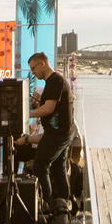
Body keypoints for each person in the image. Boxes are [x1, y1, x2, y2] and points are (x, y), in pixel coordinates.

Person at [26, 52, 77, 209]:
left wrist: (26, 114)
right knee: (58, 168)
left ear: (42, 64)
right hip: (63, 132)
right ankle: (63, 204)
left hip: (57, 134)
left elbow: (48, 109)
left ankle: (47, 205)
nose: (33, 72)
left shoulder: (55, 81)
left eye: (33, 68)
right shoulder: (52, 81)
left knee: (40, 167)